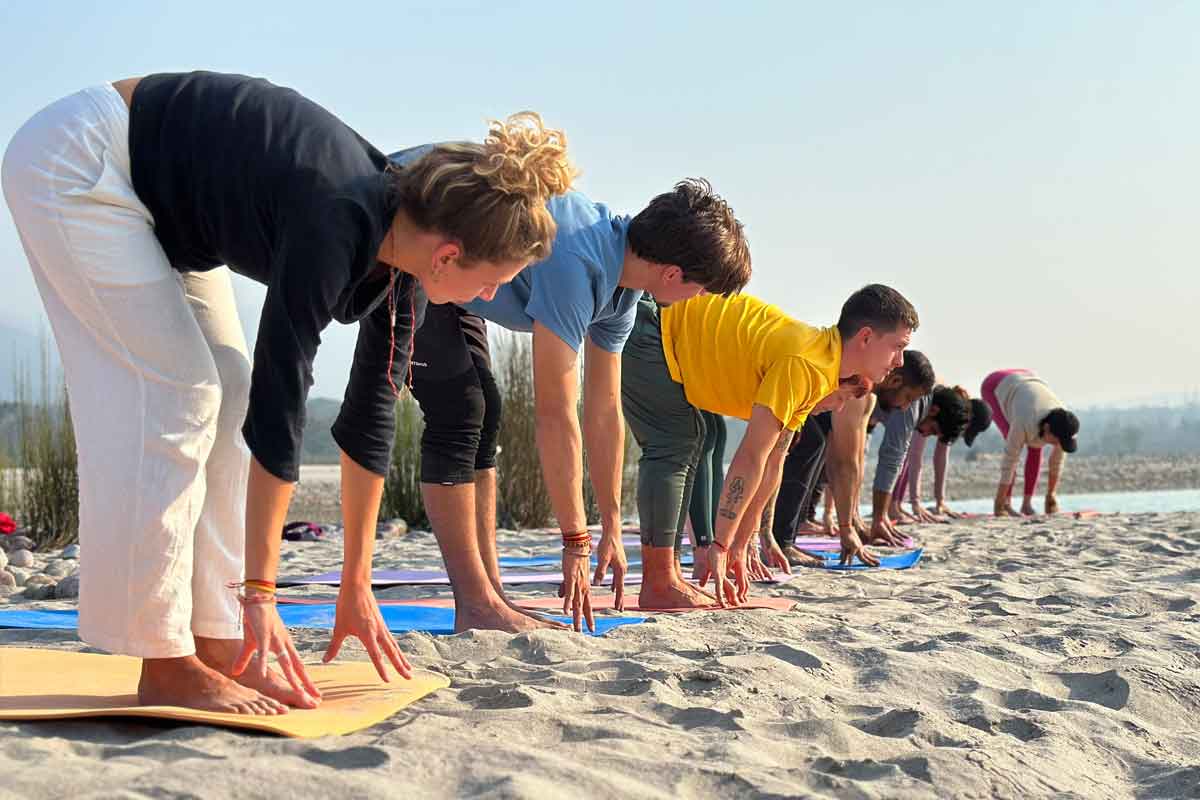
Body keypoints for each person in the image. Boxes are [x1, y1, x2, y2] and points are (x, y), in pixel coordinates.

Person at [2, 71, 574, 715]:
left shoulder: (402, 254)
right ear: (448, 255)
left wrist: (355, 582)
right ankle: (163, 661)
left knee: (231, 392)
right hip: (83, 161)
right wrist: (263, 592)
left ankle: (219, 644)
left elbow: (371, 417)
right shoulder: (336, 217)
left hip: (164, 207)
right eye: (494, 280)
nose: (493, 298)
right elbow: (285, 405)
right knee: (178, 395)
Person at [404, 175, 751, 632]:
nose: (698, 299)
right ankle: (476, 604)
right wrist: (575, 539)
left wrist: (610, 525)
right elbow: (555, 412)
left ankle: (489, 596)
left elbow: (604, 411)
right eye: (701, 289)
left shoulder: (623, 289)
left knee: (483, 413)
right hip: (412, 248)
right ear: (672, 274)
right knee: (461, 412)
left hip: (464, 282)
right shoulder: (578, 259)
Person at [622, 284, 918, 609]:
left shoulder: (821, 367)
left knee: (691, 439)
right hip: (653, 325)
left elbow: (773, 462)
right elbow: (751, 455)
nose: (899, 361)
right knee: (677, 442)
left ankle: (669, 576)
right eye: (898, 347)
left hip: (667, 334)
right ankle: (660, 581)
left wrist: (740, 542)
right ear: (865, 337)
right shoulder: (804, 362)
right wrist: (721, 544)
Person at [790, 351, 935, 565]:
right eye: (907, 398)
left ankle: (785, 538)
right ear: (895, 381)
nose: (905, 407)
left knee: (816, 445)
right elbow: (843, 464)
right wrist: (846, 528)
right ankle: (783, 541)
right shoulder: (858, 385)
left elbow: (855, 461)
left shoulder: (869, 396)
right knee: (811, 445)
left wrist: (854, 520)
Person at [868, 384, 972, 545]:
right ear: (934, 411)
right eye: (933, 430)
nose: (926, 434)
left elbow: (898, 459)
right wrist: (880, 518)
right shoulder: (912, 409)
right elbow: (891, 459)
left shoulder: (922, 405)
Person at [980, 369, 1080, 516]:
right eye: (1056, 441)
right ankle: (1006, 503)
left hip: (1027, 378)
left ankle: (1026, 505)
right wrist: (999, 504)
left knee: (1036, 444)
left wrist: (1051, 495)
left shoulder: (1066, 425)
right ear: (1047, 428)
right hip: (994, 385)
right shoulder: (1023, 421)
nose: (1057, 445)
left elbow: (1057, 461)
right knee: (1013, 438)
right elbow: (1010, 460)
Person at [890, 397, 992, 521]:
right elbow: (915, 455)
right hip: (903, 407)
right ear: (968, 419)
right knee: (906, 452)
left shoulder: (956, 416)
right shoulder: (945, 408)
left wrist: (940, 501)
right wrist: (915, 503)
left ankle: (896, 504)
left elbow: (941, 457)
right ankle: (892, 504)